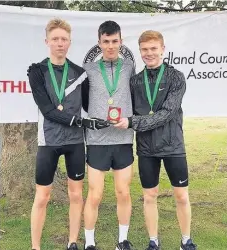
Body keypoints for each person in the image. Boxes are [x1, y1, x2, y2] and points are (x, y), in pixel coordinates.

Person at [27, 18, 109, 250]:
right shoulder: (37, 71)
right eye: (55, 39)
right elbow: (48, 110)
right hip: (49, 141)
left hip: (75, 142)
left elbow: (88, 105)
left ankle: (73, 242)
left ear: (70, 42)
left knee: (76, 195)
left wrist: (108, 115)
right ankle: (35, 246)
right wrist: (78, 121)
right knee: (42, 197)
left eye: (64, 39)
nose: (60, 43)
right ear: (47, 41)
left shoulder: (79, 73)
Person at [115, 30, 197, 250]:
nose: (149, 53)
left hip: (173, 146)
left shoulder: (176, 77)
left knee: (181, 195)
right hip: (146, 148)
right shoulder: (135, 81)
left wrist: (134, 122)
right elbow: (123, 107)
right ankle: (153, 241)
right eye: (145, 49)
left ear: (163, 49)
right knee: (149, 196)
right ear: (140, 51)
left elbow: (167, 113)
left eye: (153, 48)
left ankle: (186, 240)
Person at [82, 21, 135, 250]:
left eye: (115, 41)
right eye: (106, 41)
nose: (111, 46)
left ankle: (122, 241)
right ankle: (90, 244)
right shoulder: (89, 70)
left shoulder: (131, 66)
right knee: (95, 194)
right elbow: (84, 101)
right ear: (99, 43)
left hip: (123, 138)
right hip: (97, 140)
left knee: (123, 192)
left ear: (121, 42)